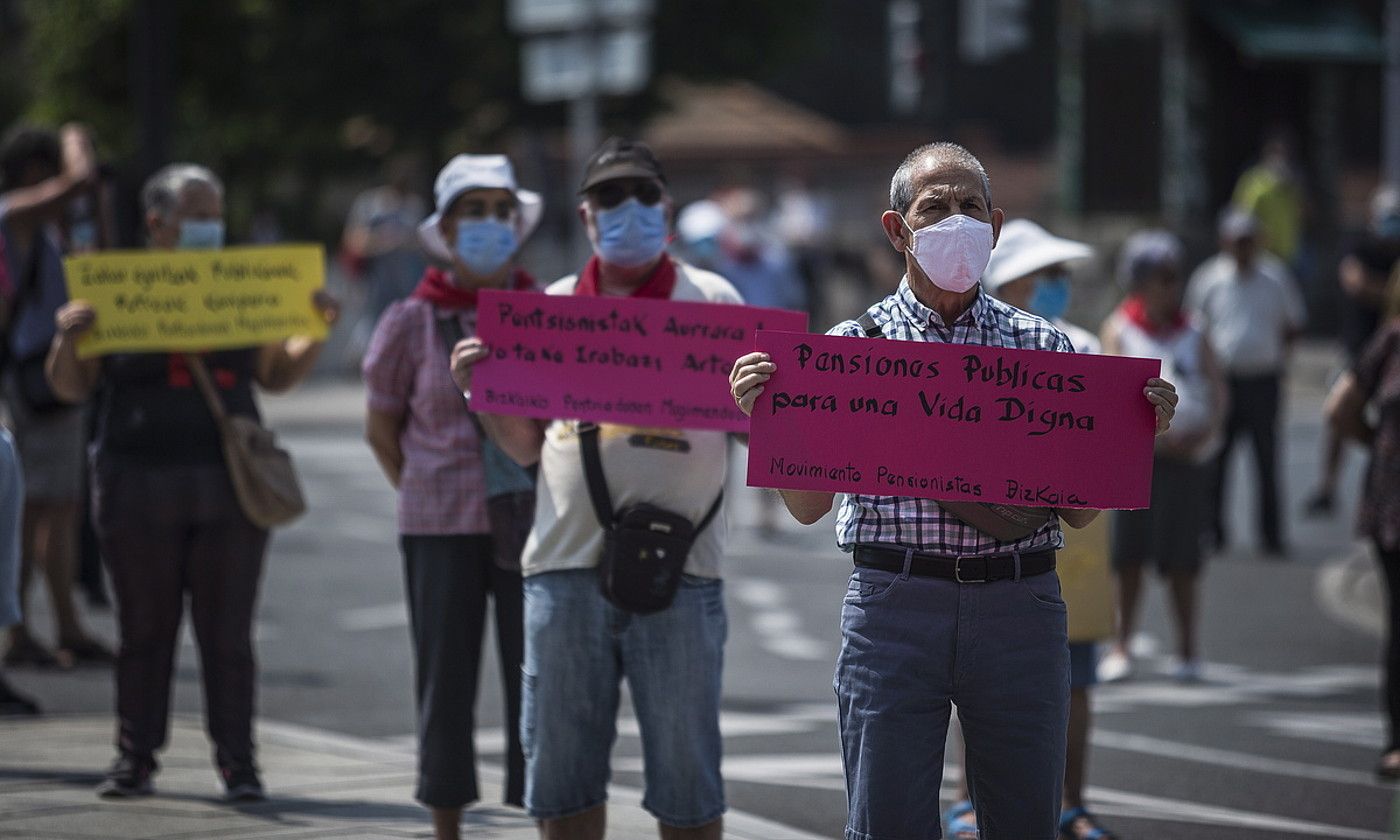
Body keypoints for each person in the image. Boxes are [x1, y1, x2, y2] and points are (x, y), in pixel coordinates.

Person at [729, 142, 1178, 840]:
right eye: (934, 208)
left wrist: (1133, 430)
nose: (956, 222)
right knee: (886, 824)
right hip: (893, 611)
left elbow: (1081, 512)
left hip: (1020, 607)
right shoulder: (851, 350)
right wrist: (766, 416)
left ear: (995, 227)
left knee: (1026, 821)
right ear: (896, 228)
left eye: (971, 207)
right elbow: (809, 505)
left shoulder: (1045, 350)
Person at [450, 137, 738, 840]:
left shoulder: (714, 302)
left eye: (643, 195)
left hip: (684, 574)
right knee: (565, 783)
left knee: (688, 787)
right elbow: (523, 447)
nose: (628, 209)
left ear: (666, 209)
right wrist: (477, 391)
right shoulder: (548, 311)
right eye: (611, 197)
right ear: (586, 217)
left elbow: (762, 435)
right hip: (564, 572)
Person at [45, 163, 338, 801]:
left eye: (216, 214)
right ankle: (135, 758)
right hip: (137, 481)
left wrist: (314, 328)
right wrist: (70, 338)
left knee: (227, 633)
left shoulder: (242, 287)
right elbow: (70, 386)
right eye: (198, 215)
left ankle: (239, 763)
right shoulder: (116, 290)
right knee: (143, 631)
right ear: (157, 223)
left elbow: (276, 375)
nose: (211, 227)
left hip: (226, 483)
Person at [363, 154, 541, 839]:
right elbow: (381, 427)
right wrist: (419, 487)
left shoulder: (547, 313)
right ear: (445, 228)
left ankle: (541, 814)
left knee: (537, 681)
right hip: (438, 524)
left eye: (503, 210)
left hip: (531, 525)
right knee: (445, 681)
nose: (492, 224)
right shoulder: (410, 321)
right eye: (476, 211)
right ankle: (446, 825)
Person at [942, 219, 1119, 840]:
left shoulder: (1086, 347)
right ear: (1012, 279)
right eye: (1048, 276)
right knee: (976, 681)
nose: (1058, 287)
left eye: (1062, 277)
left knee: (1075, 679)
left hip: (1074, 549)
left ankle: (1071, 802)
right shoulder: (977, 351)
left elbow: (1101, 451)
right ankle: (967, 799)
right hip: (998, 539)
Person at [0, 122, 111, 668]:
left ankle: (64, 623)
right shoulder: (15, 214)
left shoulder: (48, 230)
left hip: (57, 375)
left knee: (59, 508)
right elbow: (80, 181)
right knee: (27, 508)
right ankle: (17, 631)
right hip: (35, 378)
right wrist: (76, 136)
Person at [1099, 231, 1228, 687]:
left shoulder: (1195, 328)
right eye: (1160, 277)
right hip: (1139, 463)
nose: (1170, 287)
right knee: (1128, 557)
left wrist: (1207, 433)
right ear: (1138, 281)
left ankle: (1189, 650)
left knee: (1183, 561)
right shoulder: (1120, 326)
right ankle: (1121, 645)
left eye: (1174, 277)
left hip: (1187, 462)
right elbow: (1111, 395)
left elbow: (1216, 389)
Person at [1186, 207, 1305, 558]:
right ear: (1225, 242)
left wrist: (1281, 360)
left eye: (1249, 241)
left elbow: (1293, 323)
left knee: (1266, 459)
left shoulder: (1275, 277)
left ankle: (1271, 533)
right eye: (1238, 241)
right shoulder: (1209, 278)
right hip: (1224, 379)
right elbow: (1195, 326)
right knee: (1217, 457)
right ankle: (1213, 530)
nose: (1243, 247)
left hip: (1263, 379)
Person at [1326, 273, 1400, 780]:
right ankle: (1397, 739)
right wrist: (1375, 442)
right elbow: (1340, 407)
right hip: (1393, 507)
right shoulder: (1393, 337)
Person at [1305, 186, 1400, 515]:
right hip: (1360, 349)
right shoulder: (1361, 245)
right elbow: (1356, 283)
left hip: (1393, 357)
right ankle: (1327, 486)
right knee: (1339, 415)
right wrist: (1391, 291)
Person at [342, 154, 429, 338]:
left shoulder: (415, 206)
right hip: (373, 288)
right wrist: (384, 240)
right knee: (371, 339)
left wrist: (405, 240)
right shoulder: (370, 203)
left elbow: (423, 243)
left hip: (407, 286)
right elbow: (353, 241)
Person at [1232, 131, 1305, 268]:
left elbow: (1302, 213)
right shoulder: (1253, 181)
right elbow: (1244, 219)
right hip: (1262, 255)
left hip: (1289, 254)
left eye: (1284, 152)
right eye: (1276, 152)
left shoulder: (1292, 183)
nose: (1281, 157)